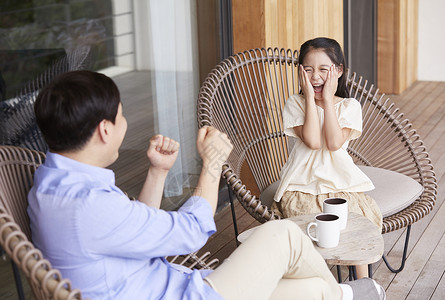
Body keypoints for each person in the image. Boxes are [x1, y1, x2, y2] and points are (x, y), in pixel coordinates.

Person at [28, 70, 385, 299]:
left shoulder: (52, 183)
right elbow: (190, 231)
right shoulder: (89, 205)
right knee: (285, 235)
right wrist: (212, 163)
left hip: (170, 284)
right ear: (105, 130)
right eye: (121, 117)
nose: (124, 124)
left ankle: (342, 296)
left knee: (310, 290)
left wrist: (157, 172)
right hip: (187, 295)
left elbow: (133, 229)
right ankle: (347, 295)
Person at [271, 37, 383, 279]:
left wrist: (329, 101)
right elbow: (312, 141)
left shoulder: (349, 106)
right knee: (309, 230)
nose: (315, 77)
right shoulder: (295, 104)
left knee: (355, 228)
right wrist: (311, 99)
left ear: (339, 71)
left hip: (340, 185)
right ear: (300, 72)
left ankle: (363, 284)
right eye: (308, 70)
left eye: (324, 69)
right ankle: (315, 284)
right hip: (302, 186)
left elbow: (332, 143)